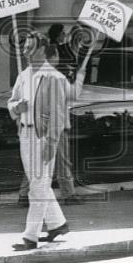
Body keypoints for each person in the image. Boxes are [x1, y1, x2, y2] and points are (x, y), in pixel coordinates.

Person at [8, 31, 71, 250]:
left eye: (29, 48)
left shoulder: (54, 78)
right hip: (24, 134)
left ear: (42, 50)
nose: (25, 52)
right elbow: (12, 101)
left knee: (37, 186)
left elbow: (58, 115)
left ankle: (30, 236)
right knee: (39, 183)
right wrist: (17, 108)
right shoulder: (23, 75)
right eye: (24, 48)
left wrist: (51, 142)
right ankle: (57, 224)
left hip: (42, 136)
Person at [16, 23, 86, 207]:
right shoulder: (33, 76)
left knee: (37, 168)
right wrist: (80, 76)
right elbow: (72, 95)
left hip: (42, 129)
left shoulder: (53, 76)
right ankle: (67, 194)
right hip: (50, 128)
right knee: (58, 162)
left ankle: (26, 195)